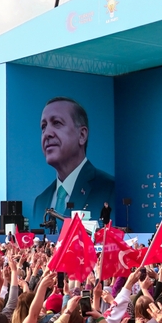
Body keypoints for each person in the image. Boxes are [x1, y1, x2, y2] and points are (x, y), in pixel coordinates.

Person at [31, 97, 114, 228]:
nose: (47, 133)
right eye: (43, 127)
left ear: (82, 135)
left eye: (57, 123)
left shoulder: (110, 189)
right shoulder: (40, 202)